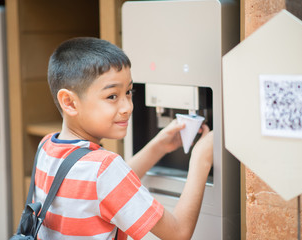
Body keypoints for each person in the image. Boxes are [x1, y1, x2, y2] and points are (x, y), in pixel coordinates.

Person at [35, 37, 213, 240]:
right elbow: (179, 233)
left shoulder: (46, 146)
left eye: (128, 92)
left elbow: (101, 189)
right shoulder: (105, 169)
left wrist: (158, 146)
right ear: (70, 102)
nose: (128, 107)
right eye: (112, 96)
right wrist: (201, 159)